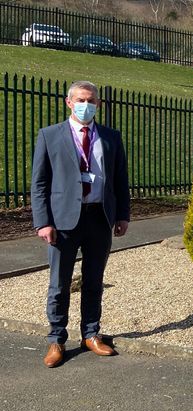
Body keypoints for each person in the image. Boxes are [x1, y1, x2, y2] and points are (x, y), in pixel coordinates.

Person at [31, 80, 130, 368]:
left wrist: (122, 215)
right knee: (59, 283)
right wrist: (43, 222)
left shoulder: (111, 137)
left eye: (92, 100)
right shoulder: (50, 136)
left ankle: (90, 333)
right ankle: (56, 338)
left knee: (93, 281)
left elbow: (120, 180)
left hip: (99, 217)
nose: (87, 105)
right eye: (81, 99)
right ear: (69, 102)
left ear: (98, 104)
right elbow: (39, 183)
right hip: (62, 221)